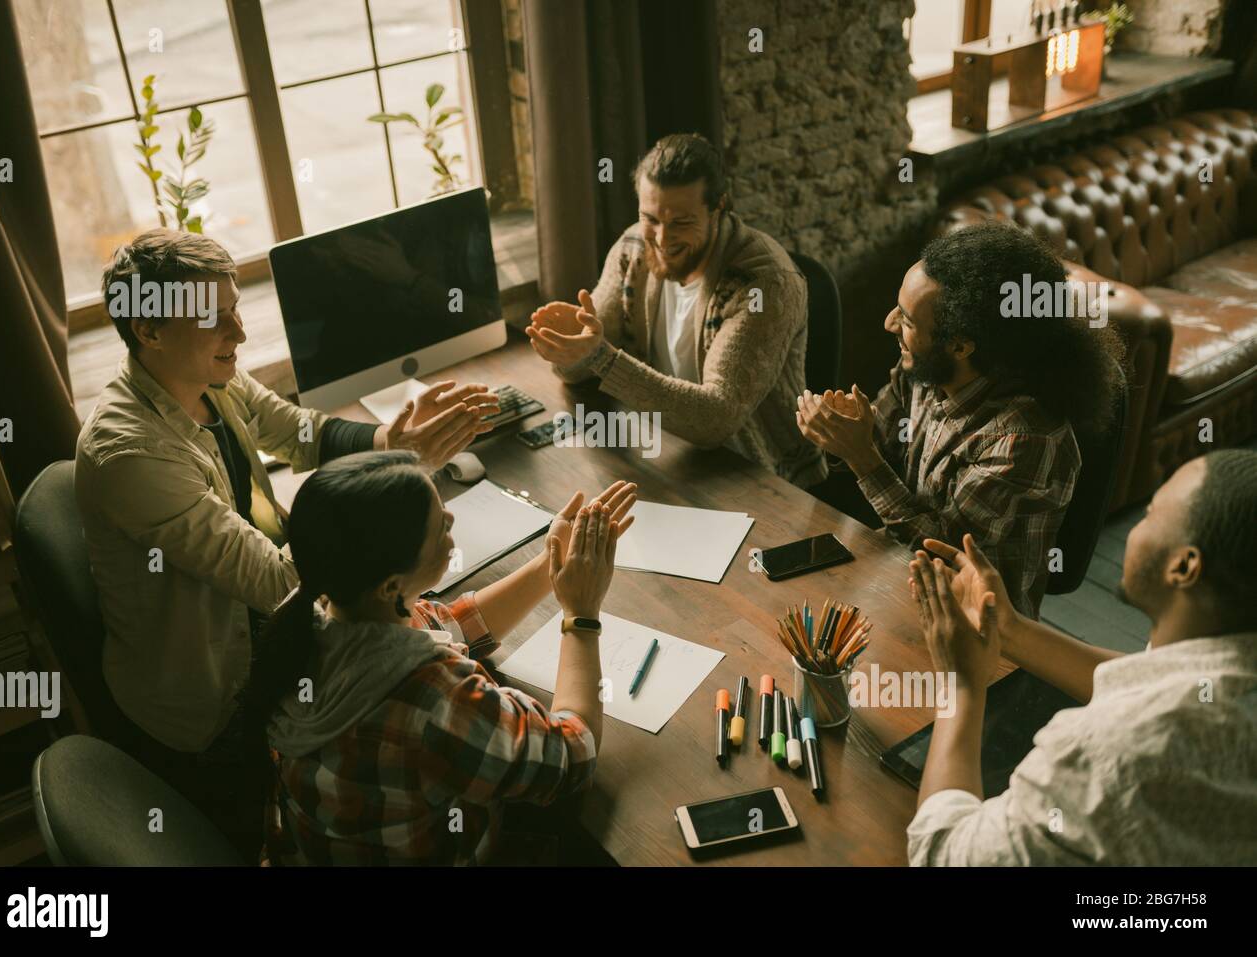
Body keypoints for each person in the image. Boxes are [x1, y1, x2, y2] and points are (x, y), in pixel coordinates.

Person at [75, 229, 498, 858]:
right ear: (149, 330)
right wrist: (395, 484)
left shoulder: (208, 375)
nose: (239, 333)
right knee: (431, 736)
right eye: (214, 319)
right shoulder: (130, 451)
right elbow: (276, 582)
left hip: (283, 637)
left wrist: (388, 439)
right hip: (220, 708)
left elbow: (298, 431)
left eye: (235, 308)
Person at [241, 451, 636, 865]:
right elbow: (573, 755)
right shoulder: (432, 698)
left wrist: (549, 565)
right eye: (437, 525)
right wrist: (581, 613)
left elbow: (450, 624)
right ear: (392, 585)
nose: (451, 521)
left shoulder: (314, 611)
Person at [905, 449, 1257, 865]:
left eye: (1149, 514)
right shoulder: (1226, 670)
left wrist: (960, 684)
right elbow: (1152, 683)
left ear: (1183, 567)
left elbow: (944, 852)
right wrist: (1010, 631)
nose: (1135, 526)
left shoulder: (1111, 750)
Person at [798, 221, 1124, 618]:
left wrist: (861, 457)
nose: (888, 323)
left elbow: (946, 557)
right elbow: (878, 449)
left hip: (976, 628)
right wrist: (841, 433)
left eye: (907, 319)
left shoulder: (1025, 440)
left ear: (960, 345)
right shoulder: (925, 369)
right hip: (898, 580)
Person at [524, 133, 826, 488]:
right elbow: (583, 364)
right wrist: (568, 349)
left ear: (719, 209)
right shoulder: (633, 247)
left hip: (763, 478)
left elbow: (716, 419)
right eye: (650, 218)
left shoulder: (765, 284)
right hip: (668, 454)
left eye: (681, 223)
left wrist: (600, 358)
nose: (662, 239)